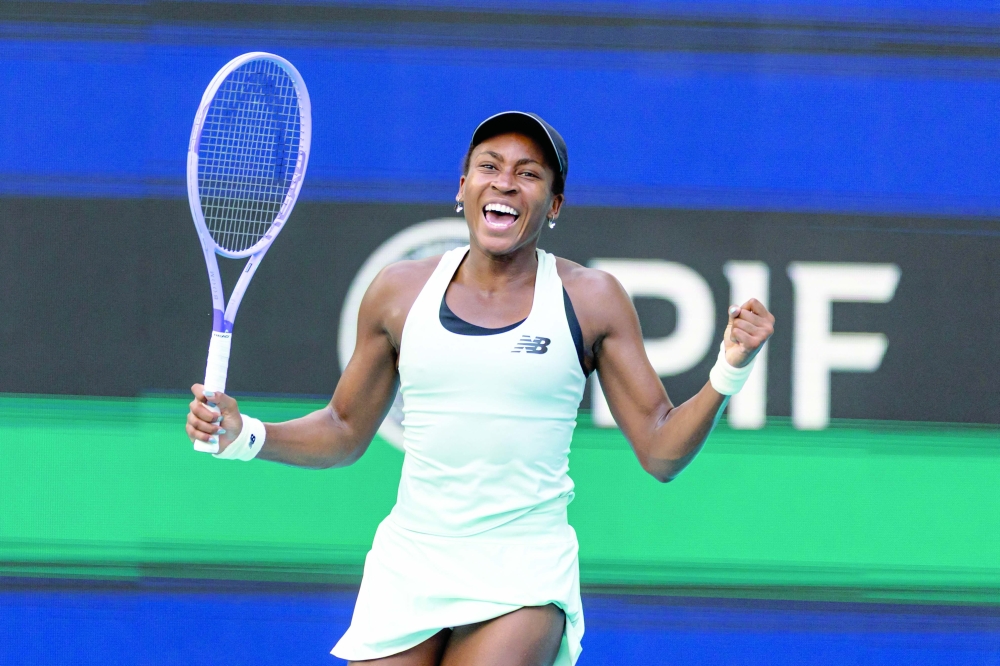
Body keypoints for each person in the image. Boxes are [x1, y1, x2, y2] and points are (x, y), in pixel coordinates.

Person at [186, 111, 775, 666]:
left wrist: (729, 369)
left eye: (529, 174)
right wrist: (247, 435)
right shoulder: (399, 291)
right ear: (462, 187)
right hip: (410, 561)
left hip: (524, 569)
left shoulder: (591, 298)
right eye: (490, 167)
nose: (507, 184)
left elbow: (661, 450)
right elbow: (343, 429)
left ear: (554, 206)